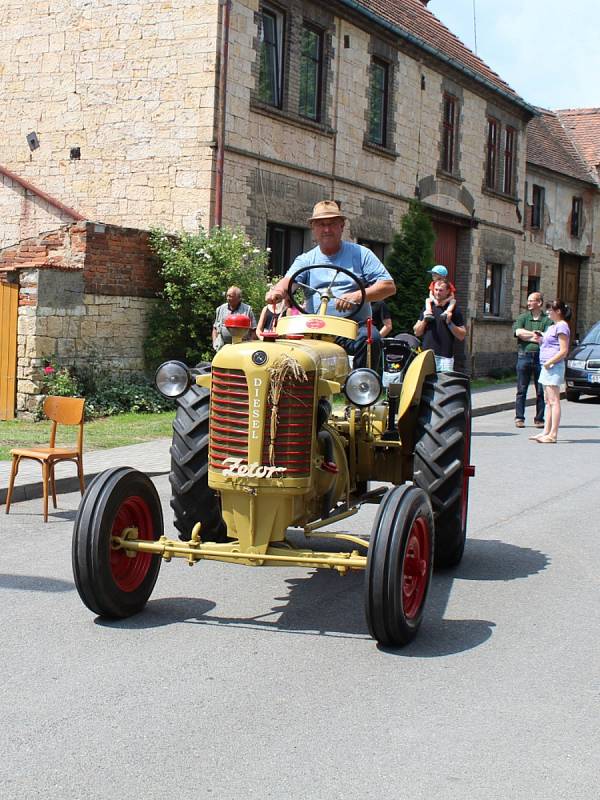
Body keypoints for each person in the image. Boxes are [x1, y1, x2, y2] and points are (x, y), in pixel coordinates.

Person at [264, 200, 396, 369]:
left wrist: (357, 295)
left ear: (342, 226)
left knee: (372, 339)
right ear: (313, 228)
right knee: (281, 341)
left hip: (352, 328)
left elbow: (388, 286)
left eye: (332, 224)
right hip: (313, 328)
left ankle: (361, 388)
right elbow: (288, 282)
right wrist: (277, 291)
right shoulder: (306, 260)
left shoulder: (361, 254)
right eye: (321, 224)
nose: (326, 229)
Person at [530, 299, 571, 444]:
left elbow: (564, 350)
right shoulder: (553, 327)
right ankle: (546, 432)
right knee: (548, 401)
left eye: (550, 310)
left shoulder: (562, 326)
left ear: (558, 311)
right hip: (547, 366)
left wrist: (550, 362)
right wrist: (540, 339)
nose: (547, 312)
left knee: (554, 401)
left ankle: (553, 434)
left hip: (553, 367)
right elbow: (549, 344)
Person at [512, 292, 552, 429]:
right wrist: (535, 335)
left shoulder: (547, 320)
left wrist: (528, 335)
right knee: (521, 389)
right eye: (528, 301)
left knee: (541, 390)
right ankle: (519, 417)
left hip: (541, 357)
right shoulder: (523, 317)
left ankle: (539, 418)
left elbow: (546, 338)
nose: (528, 303)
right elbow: (518, 333)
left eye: (532, 301)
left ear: (539, 303)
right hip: (524, 355)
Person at [413, 277, 466, 372]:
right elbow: (417, 332)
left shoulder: (454, 309)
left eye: (441, 290)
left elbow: (462, 335)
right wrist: (425, 320)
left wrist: (449, 323)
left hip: (445, 358)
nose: (437, 292)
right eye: (436, 290)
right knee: (425, 386)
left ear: (447, 291)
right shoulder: (428, 307)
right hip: (426, 356)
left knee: (443, 386)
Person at [212, 286, 257, 352]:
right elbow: (215, 328)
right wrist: (215, 342)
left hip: (242, 348)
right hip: (222, 347)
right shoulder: (220, 309)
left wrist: (249, 346)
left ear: (238, 298)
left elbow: (254, 330)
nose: (228, 298)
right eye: (227, 296)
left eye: (230, 296)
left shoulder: (247, 310)